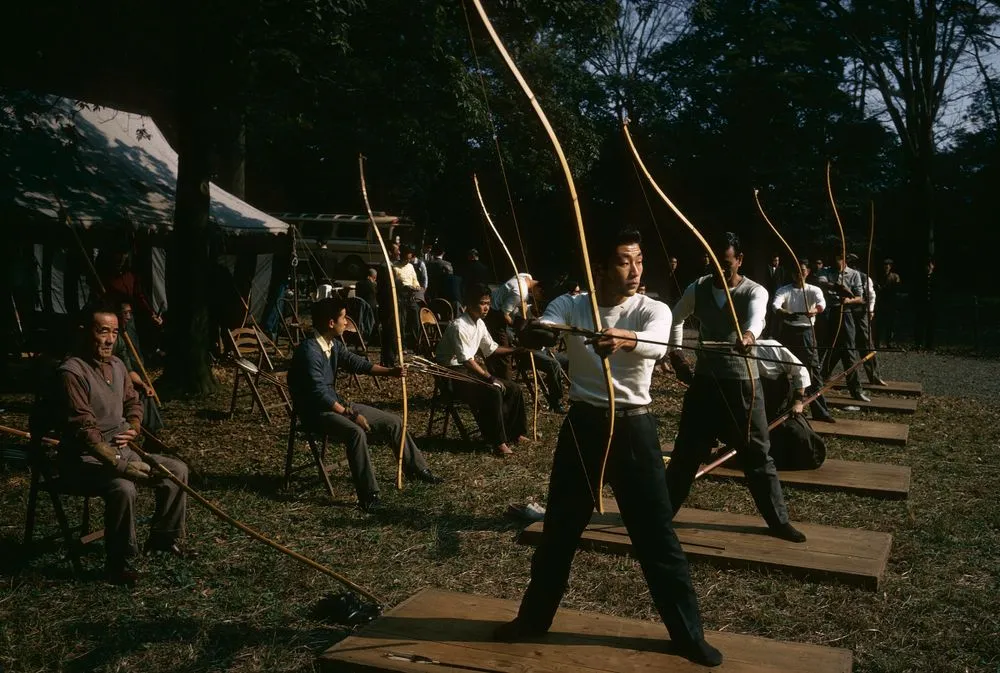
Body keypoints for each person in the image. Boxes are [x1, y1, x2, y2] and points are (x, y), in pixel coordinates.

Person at [497, 227, 722, 668]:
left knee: (656, 537)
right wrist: (536, 331)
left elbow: (656, 345)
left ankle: (688, 636)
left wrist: (623, 338)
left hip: (634, 431)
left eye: (639, 260)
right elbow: (546, 325)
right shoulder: (573, 304)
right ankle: (532, 622)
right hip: (583, 428)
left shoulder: (650, 308)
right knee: (558, 531)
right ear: (599, 267)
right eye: (624, 261)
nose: (636, 270)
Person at [666, 232, 806, 543]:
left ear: (739, 260)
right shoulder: (698, 288)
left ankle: (778, 522)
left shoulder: (753, 291)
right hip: (704, 384)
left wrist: (749, 337)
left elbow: (757, 319)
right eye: (714, 264)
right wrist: (676, 353)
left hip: (743, 385)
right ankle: (660, 517)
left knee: (757, 455)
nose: (719, 270)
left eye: (726, 264)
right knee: (686, 454)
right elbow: (675, 317)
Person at [52, 302, 189, 585]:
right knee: (123, 487)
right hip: (84, 461)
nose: (110, 339)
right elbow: (84, 430)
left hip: (122, 450)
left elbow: (132, 401)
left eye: (114, 332)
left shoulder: (117, 365)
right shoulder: (71, 372)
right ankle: (120, 561)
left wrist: (135, 427)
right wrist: (120, 464)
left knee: (177, 469)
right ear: (83, 332)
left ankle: (163, 539)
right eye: (103, 331)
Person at [288, 297, 442, 512]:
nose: (347, 323)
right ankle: (369, 496)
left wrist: (391, 372)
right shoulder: (310, 351)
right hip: (316, 412)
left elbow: (356, 363)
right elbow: (319, 394)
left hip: (337, 405)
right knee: (355, 433)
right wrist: (351, 416)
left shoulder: (332, 344)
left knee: (394, 422)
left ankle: (417, 469)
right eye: (343, 318)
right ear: (331, 323)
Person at [672, 338, 825, 471]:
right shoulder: (727, 351)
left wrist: (798, 401)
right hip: (746, 405)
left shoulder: (772, 347)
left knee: (800, 441)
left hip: (779, 407)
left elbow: (800, 370)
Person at [435, 284, 529, 456]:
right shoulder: (459, 326)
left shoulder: (479, 323)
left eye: (487, 303)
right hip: (451, 375)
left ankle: (515, 433)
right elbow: (467, 361)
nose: (486, 307)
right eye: (481, 303)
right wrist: (490, 378)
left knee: (514, 388)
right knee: (493, 391)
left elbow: (491, 349)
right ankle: (498, 442)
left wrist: (516, 350)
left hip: (466, 370)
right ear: (469, 304)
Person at [771, 261, 834, 422]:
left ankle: (820, 412)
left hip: (807, 333)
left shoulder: (814, 290)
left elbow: (822, 304)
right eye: (795, 271)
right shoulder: (784, 290)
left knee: (812, 370)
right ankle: (781, 409)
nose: (798, 274)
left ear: (808, 272)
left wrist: (814, 311)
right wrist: (785, 313)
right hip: (788, 332)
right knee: (784, 370)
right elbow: (775, 305)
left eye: (802, 271)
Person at [817, 252, 869, 402]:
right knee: (823, 348)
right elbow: (820, 281)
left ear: (846, 259)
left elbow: (860, 297)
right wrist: (838, 287)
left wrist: (848, 301)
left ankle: (856, 390)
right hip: (828, 314)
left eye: (840, 258)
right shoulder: (826, 271)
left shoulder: (854, 275)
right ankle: (815, 384)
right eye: (836, 257)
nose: (837, 261)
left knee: (848, 351)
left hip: (845, 313)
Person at [113, 302, 163, 433]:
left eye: (130, 313)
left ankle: (153, 433)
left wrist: (144, 385)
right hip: (108, 384)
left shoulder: (120, 340)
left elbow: (129, 370)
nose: (128, 317)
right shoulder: (108, 341)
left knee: (145, 391)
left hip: (121, 380)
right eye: (125, 313)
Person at [485, 273, 540, 379]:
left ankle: (496, 373)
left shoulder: (526, 276)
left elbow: (517, 305)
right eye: (541, 295)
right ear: (539, 288)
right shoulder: (521, 292)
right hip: (494, 315)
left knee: (499, 345)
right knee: (504, 351)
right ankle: (506, 381)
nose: (537, 299)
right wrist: (516, 326)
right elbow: (504, 314)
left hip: (495, 311)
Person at [846, 253, 886, 386]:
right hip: (844, 313)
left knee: (866, 344)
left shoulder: (864, 278)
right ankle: (824, 375)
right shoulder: (841, 276)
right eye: (849, 262)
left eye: (853, 263)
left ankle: (874, 376)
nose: (851, 266)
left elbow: (871, 295)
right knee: (839, 344)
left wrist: (870, 310)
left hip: (860, 313)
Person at [912, 258, 937, 350]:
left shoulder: (936, 278)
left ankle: (929, 344)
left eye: (930, 265)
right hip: (922, 305)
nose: (929, 267)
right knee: (920, 325)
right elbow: (916, 292)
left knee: (931, 326)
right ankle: (918, 343)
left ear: (933, 267)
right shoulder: (920, 278)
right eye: (928, 265)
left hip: (932, 305)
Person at [877, 258, 901, 348]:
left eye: (888, 265)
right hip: (881, 302)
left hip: (891, 302)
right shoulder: (880, 276)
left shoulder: (895, 276)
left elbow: (897, 289)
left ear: (890, 267)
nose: (886, 267)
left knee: (890, 324)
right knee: (880, 324)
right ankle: (877, 342)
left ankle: (889, 342)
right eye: (885, 265)